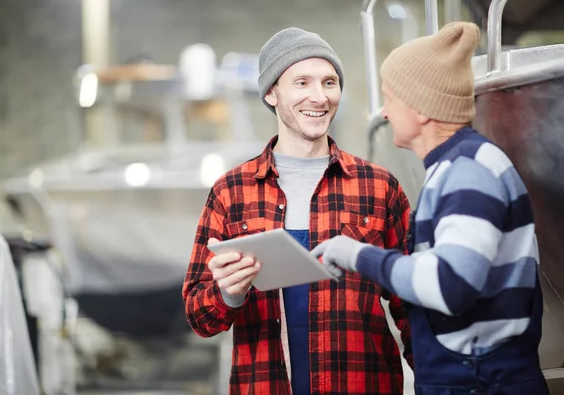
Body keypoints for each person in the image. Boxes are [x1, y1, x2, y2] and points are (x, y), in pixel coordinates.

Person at [312, 22, 549, 394]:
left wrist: (359, 254)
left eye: (390, 98)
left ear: (420, 109)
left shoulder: (470, 172)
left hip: (482, 383)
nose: (385, 113)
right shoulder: (454, 168)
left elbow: (449, 285)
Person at [182, 27, 413, 394]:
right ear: (272, 93)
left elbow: (412, 307)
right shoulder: (231, 192)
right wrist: (229, 293)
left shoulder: (379, 187)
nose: (319, 97)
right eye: (302, 83)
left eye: (330, 82)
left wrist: (441, 381)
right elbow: (199, 316)